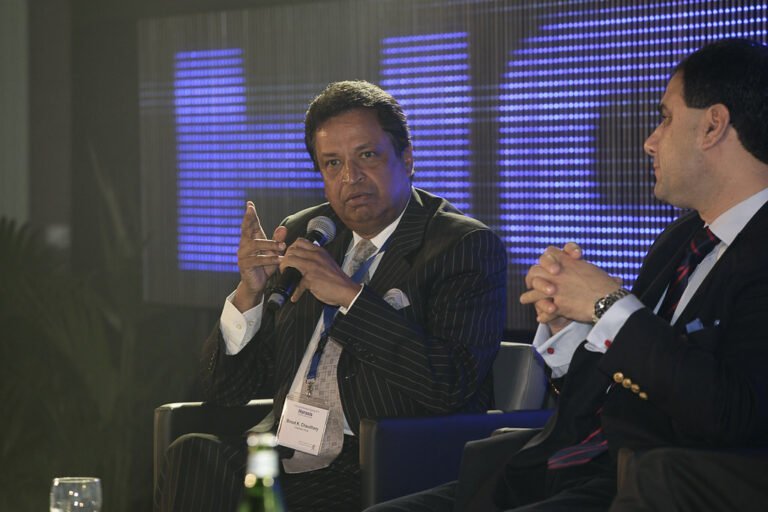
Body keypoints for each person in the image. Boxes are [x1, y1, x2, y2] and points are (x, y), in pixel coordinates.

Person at [366, 38, 768, 512]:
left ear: (713, 126)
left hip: (653, 485)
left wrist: (609, 305)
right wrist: (572, 325)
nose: (650, 141)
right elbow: (625, 381)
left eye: (665, 118)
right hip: (560, 467)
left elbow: (733, 413)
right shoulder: (681, 239)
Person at [155, 80, 508, 512]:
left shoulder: (461, 247)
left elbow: (450, 384)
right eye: (332, 163)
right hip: (285, 450)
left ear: (407, 158)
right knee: (192, 454)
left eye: (367, 155)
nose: (350, 177)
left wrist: (348, 295)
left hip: (382, 462)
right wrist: (250, 293)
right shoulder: (307, 233)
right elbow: (225, 393)